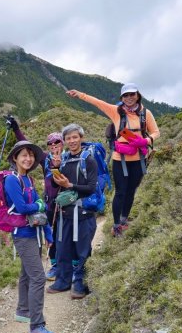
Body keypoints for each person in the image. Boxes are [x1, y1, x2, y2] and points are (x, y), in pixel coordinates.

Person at [67, 83, 160, 237]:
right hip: (120, 159)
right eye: (126, 95)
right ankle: (116, 225)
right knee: (120, 192)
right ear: (121, 98)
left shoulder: (146, 113)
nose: (129, 98)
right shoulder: (116, 111)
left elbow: (156, 132)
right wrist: (80, 94)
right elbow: (97, 102)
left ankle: (124, 221)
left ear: (137, 95)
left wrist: (147, 140)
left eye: (132, 94)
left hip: (139, 159)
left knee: (131, 191)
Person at [4, 140, 57, 333]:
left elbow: (38, 209)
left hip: (35, 234)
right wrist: (38, 203)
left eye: (31, 155)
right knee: (38, 278)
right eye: (23, 155)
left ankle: (23, 310)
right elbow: (24, 208)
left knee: (27, 273)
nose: (28, 158)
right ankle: (36, 327)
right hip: (23, 235)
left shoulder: (29, 180)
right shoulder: (12, 180)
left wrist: (49, 235)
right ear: (15, 158)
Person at [6, 116, 63, 280]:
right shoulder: (46, 159)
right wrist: (16, 129)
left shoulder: (68, 159)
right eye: (51, 144)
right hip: (49, 204)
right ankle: (54, 265)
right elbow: (26, 146)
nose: (54, 146)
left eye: (57, 142)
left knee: (64, 235)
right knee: (51, 232)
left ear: (62, 143)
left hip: (66, 204)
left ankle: (69, 265)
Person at [47, 124, 98, 299]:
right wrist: (56, 171)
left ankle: (80, 284)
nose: (72, 141)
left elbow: (91, 187)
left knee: (82, 250)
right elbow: (55, 185)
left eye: (75, 137)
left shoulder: (89, 160)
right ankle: (62, 281)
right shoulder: (64, 159)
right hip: (65, 213)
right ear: (65, 141)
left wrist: (70, 185)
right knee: (62, 249)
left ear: (81, 138)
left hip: (83, 214)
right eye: (68, 138)